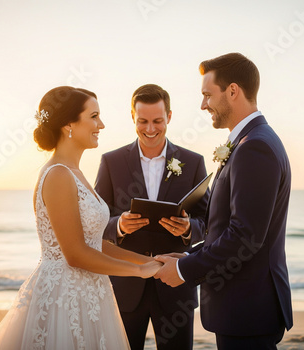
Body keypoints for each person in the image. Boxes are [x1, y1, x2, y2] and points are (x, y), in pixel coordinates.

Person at [0, 86, 162, 350]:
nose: (101, 124)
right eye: (94, 116)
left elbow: (93, 243)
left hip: (91, 292)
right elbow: (75, 254)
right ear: (69, 123)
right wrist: (137, 271)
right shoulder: (58, 175)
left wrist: (149, 261)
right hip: (64, 296)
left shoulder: (75, 173)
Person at [154, 53, 293, 350]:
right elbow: (230, 228)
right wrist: (190, 256)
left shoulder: (255, 147)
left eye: (207, 95)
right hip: (245, 308)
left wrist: (183, 272)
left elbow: (245, 236)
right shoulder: (251, 141)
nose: (203, 105)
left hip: (247, 308)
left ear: (233, 91)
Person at [94, 84, 209, 350]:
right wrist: (118, 226)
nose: (150, 129)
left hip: (176, 285)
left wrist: (189, 229)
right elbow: (95, 222)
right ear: (132, 117)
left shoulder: (193, 162)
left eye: (157, 121)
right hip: (124, 285)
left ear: (169, 116)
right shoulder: (111, 162)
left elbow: (210, 222)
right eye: (142, 121)